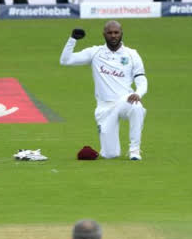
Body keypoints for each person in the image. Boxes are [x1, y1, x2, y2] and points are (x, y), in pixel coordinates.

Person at [59, 20, 148, 161]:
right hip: (104, 107)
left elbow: (141, 79)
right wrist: (72, 40)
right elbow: (65, 60)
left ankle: (134, 150)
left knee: (136, 106)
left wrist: (138, 93)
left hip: (125, 100)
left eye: (116, 32)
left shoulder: (132, 54)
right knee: (110, 155)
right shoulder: (95, 52)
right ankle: (110, 148)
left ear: (121, 33)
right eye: (110, 33)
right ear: (104, 34)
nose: (113, 36)